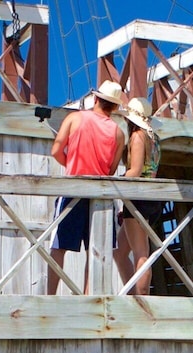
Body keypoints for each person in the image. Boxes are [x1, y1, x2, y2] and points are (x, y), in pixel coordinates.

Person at [48, 80, 127, 294]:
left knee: (59, 246)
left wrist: (72, 164)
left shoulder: (74, 118)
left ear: (96, 98)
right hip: (100, 193)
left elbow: (56, 150)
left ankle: (50, 295)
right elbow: (111, 169)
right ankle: (86, 295)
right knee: (96, 249)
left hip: (74, 187)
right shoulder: (119, 133)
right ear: (115, 106)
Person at [115, 98, 163, 295]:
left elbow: (134, 171)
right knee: (119, 252)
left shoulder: (137, 136)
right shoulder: (154, 138)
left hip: (137, 197)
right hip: (149, 197)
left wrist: (116, 180)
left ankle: (141, 297)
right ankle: (133, 292)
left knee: (140, 253)